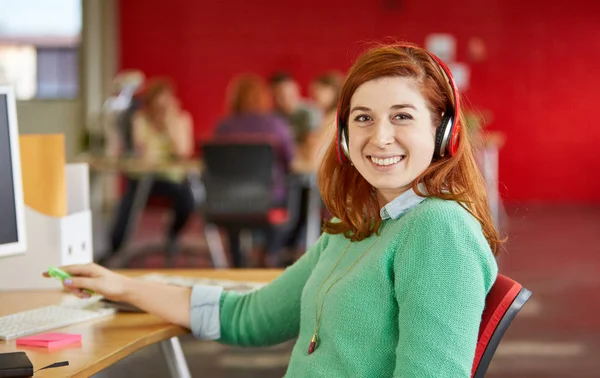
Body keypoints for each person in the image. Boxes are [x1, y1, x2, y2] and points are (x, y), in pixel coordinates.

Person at [46, 43, 500, 377]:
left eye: (402, 116)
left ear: (444, 133)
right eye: (363, 118)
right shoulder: (356, 226)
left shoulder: (439, 231)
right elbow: (249, 317)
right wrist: (123, 285)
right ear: (343, 137)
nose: (379, 137)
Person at [104, 78, 195, 264]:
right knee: (128, 203)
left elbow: (182, 152)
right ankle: (114, 250)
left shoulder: (182, 120)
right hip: (144, 179)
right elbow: (143, 154)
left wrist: (169, 125)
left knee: (188, 201)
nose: (161, 108)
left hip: (172, 180)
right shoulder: (140, 120)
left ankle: (172, 235)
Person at [211, 74, 296, 267]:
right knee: (290, 199)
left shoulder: (224, 127)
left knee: (236, 213)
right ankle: (271, 254)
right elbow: (291, 161)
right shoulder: (277, 125)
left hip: (228, 204)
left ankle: (237, 263)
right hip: (270, 203)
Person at [269, 71, 321, 146]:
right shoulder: (273, 116)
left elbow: (312, 146)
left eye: (288, 94)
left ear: (296, 89)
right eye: (279, 95)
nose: (285, 99)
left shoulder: (309, 112)